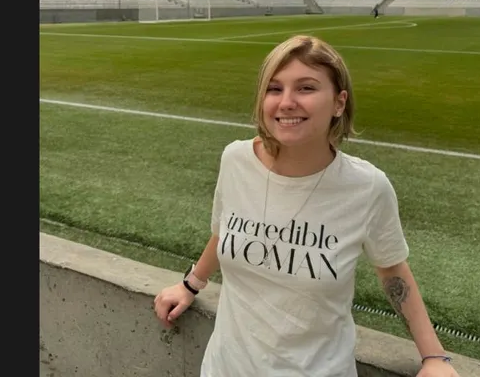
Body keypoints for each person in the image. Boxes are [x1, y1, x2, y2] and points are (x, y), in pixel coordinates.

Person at [153, 35, 459, 377]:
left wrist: (434, 356)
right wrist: (190, 284)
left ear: (339, 103)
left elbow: (392, 271)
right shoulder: (236, 160)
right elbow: (224, 232)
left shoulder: (367, 187)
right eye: (274, 89)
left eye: (306, 88)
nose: (286, 102)